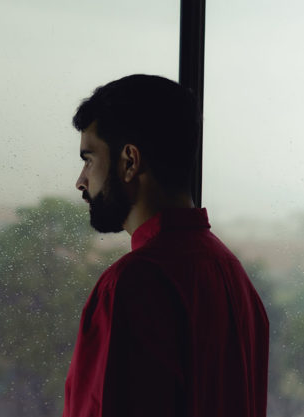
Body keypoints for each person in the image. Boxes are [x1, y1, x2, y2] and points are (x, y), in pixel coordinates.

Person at [63, 74, 269, 417]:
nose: (80, 181)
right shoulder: (235, 278)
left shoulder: (131, 284)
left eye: (89, 159)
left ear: (129, 161)